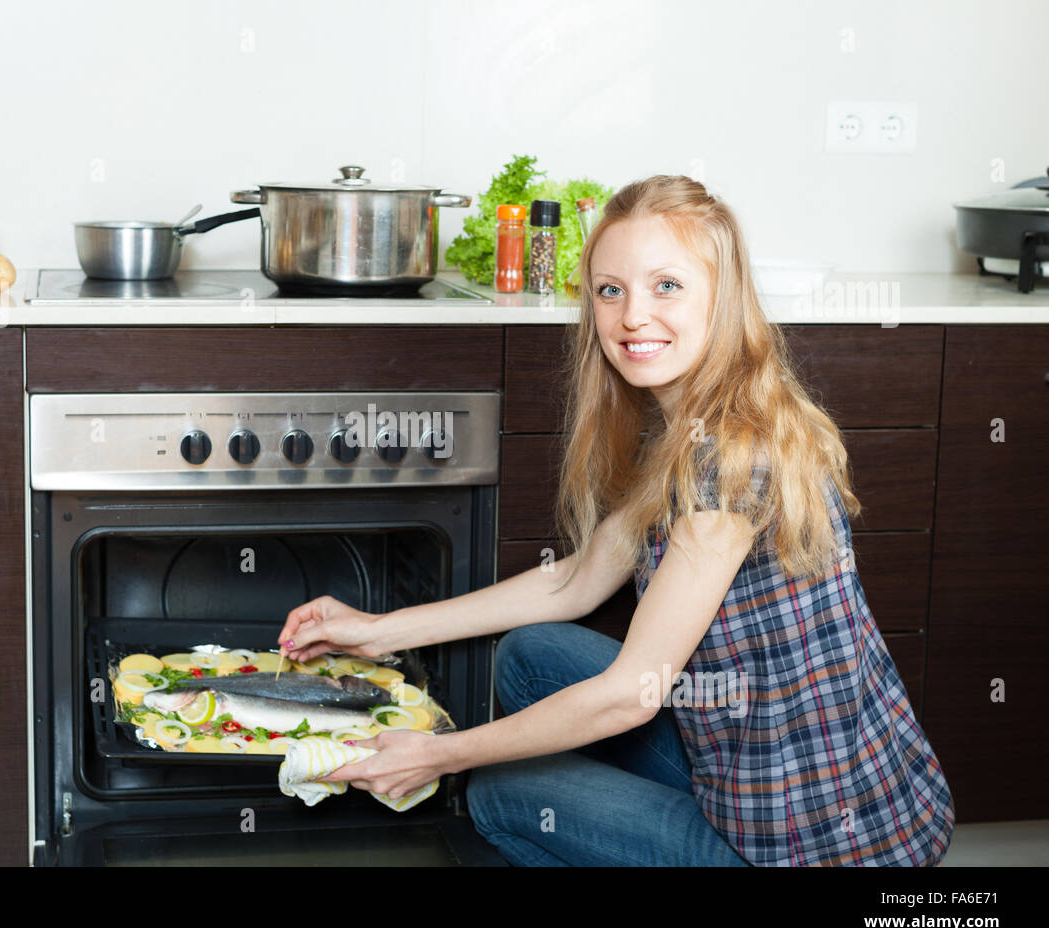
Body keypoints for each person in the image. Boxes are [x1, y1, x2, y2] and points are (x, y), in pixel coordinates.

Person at [276, 175, 956, 866]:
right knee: (534, 653)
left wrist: (436, 756)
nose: (632, 316)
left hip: (805, 845)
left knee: (497, 795)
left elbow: (631, 697)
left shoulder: (729, 464)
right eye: (610, 290)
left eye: (667, 286)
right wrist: (375, 630)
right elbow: (574, 583)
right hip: (763, 763)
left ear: (723, 299)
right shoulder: (699, 423)